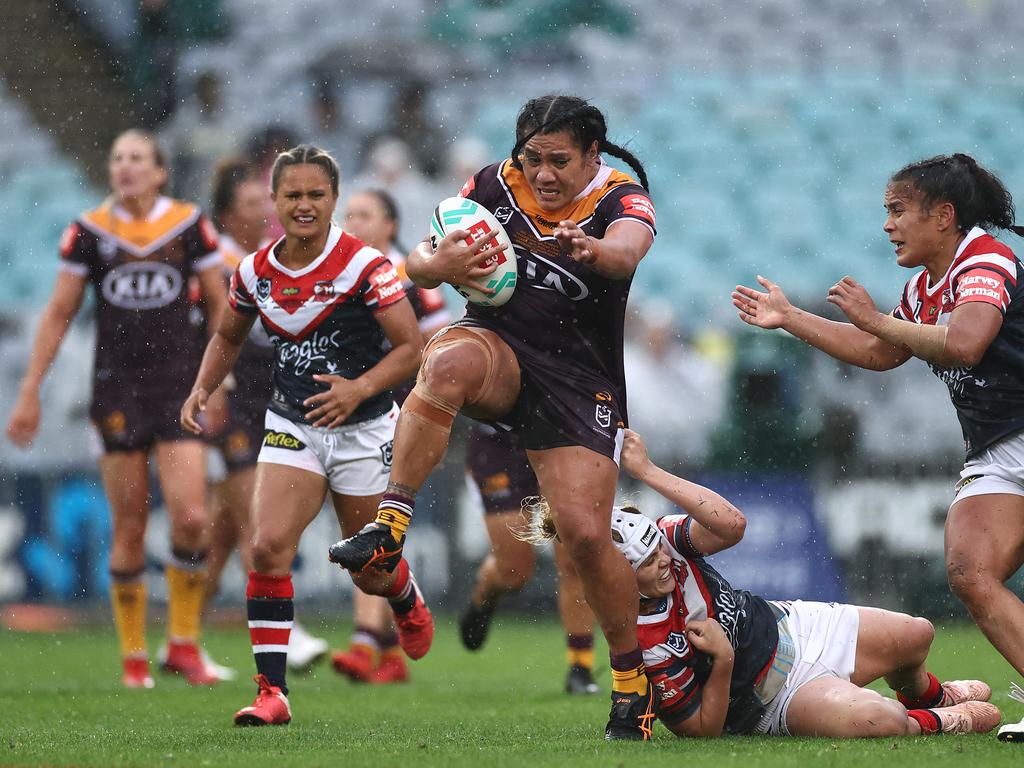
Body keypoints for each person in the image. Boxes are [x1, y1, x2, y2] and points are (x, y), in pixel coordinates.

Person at [329, 94, 659, 739]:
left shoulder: (622, 199)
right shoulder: (491, 186)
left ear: (592, 155)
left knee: (585, 539)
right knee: (445, 363)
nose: (542, 173)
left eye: (559, 160)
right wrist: (437, 265)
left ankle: (629, 680)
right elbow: (420, 260)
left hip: (578, 380)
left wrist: (591, 251)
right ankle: (391, 525)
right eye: (532, 158)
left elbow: (627, 251)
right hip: (499, 352)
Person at [732, 153, 1024, 741]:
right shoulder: (923, 286)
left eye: (897, 211)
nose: (887, 224)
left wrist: (875, 319)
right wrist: (791, 318)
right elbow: (879, 352)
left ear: (943, 216)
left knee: (974, 571)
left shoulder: (985, 260)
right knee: (971, 571)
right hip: (997, 452)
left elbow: (965, 343)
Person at [525, 429, 1002, 738]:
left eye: (657, 549)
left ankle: (929, 694)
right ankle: (935, 721)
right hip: (770, 700)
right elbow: (701, 730)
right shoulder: (645, 642)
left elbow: (731, 525)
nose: (663, 563)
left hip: (791, 626)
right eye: (647, 564)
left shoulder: (668, 544)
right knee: (881, 720)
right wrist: (724, 660)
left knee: (918, 632)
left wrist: (648, 472)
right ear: (618, 579)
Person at [180, 145, 429, 726]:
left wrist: (357, 388)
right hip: (292, 425)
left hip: (366, 430)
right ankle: (272, 692)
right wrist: (202, 387)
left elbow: (412, 348)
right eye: (292, 194)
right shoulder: (253, 271)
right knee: (267, 546)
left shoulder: (366, 267)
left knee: (371, 567)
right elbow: (228, 335)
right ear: (275, 202)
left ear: (334, 201)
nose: (305, 205)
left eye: (317, 194)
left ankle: (403, 595)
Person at [5, 129, 227, 688]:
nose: (125, 167)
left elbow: (223, 304)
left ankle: (182, 643)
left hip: (179, 386)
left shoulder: (189, 225)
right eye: (117, 158)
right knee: (128, 526)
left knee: (193, 519)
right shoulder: (87, 232)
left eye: (137, 159)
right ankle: (134, 658)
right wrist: (31, 389)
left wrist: (217, 381)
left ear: (159, 172)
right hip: (118, 391)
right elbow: (57, 314)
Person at [189, 158, 328, 673]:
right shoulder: (220, 264)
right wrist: (210, 387)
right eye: (250, 203)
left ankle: (183, 638)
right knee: (258, 520)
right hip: (238, 403)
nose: (264, 212)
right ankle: (286, 634)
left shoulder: (280, 259)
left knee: (224, 533)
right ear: (226, 214)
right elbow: (209, 331)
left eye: (264, 201)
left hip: (274, 398)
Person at [330, 188, 450, 684]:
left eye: (365, 214)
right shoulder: (337, 274)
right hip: (353, 414)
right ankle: (387, 650)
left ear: (391, 224)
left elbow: (441, 348)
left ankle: (370, 645)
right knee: (373, 531)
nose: (353, 222)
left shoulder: (415, 278)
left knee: (375, 528)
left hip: (402, 416)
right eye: (349, 214)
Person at [458, 422, 601, 696]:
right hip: (498, 443)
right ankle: (485, 594)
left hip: (556, 435)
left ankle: (580, 668)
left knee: (573, 558)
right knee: (514, 573)